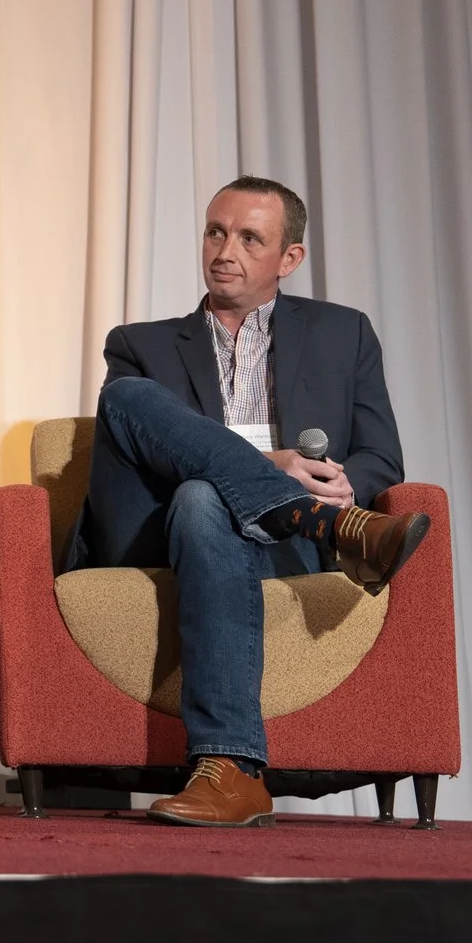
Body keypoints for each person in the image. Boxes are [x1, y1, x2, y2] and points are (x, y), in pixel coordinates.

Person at [71, 176, 429, 828]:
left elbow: (384, 457)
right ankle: (325, 522)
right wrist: (273, 469)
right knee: (132, 409)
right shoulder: (140, 343)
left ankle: (231, 771)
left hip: (273, 548)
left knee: (208, 497)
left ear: (288, 257)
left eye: (248, 237)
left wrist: (344, 482)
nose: (224, 249)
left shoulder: (344, 334)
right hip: (155, 530)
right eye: (215, 230)